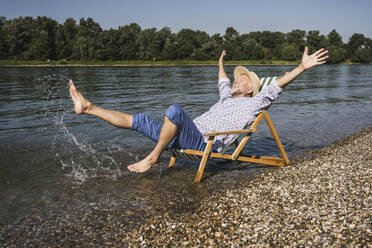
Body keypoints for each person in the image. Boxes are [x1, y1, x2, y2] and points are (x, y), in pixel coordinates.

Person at [69, 47, 328, 173]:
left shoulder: (255, 102)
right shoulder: (227, 97)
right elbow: (222, 80)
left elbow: (280, 83)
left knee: (174, 110)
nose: (237, 79)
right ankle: (88, 107)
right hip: (182, 136)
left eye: (244, 78)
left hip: (205, 144)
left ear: (252, 88)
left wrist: (302, 67)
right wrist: (220, 62)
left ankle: (153, 156)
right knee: (137, 119)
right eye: (237, 77)